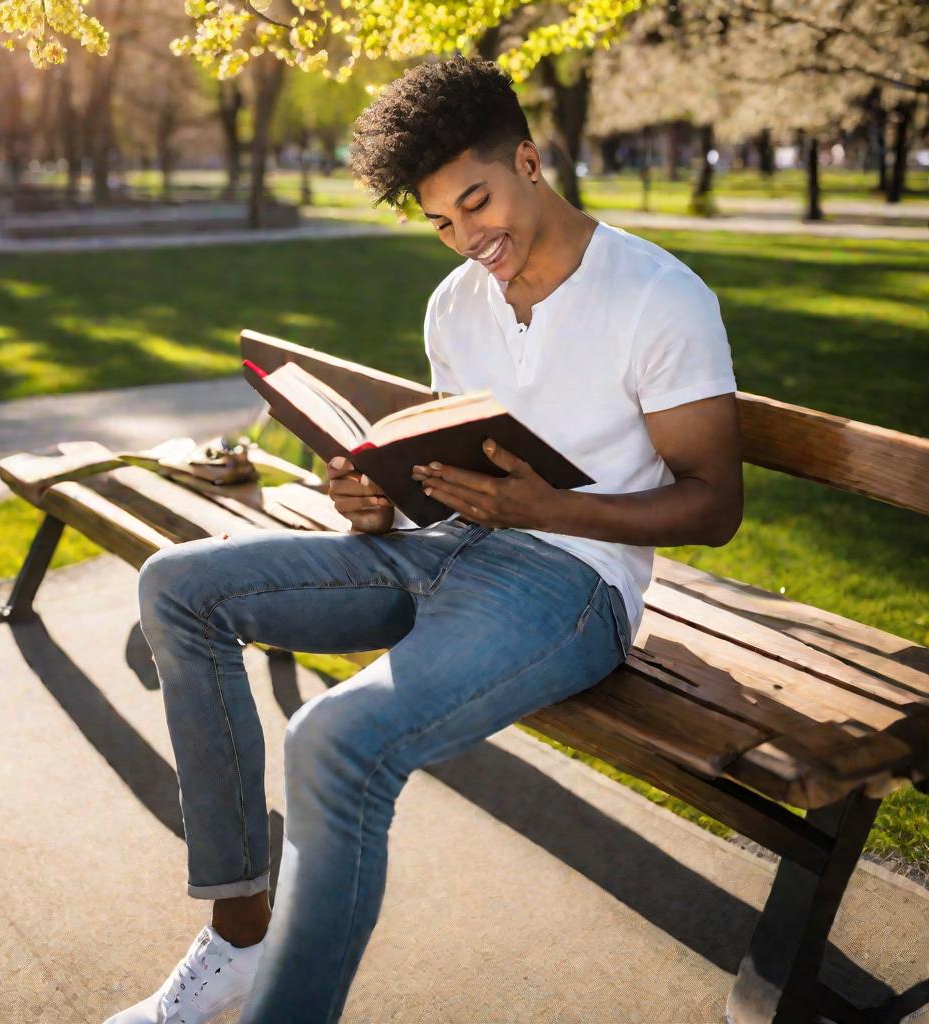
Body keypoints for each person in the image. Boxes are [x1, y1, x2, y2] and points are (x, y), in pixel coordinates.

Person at [105, 54, 742, 1024]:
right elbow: (456, 474)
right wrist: (379, 502)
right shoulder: (454, 307)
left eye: (476, 203)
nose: (465, 240)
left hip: (573, 584)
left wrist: (542, 508)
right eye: (442, 223)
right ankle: (238, 936)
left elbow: (714, 505)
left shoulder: (658, 297)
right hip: (450, 547)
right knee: (176, 587)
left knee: (334, 741)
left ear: (529, 160)